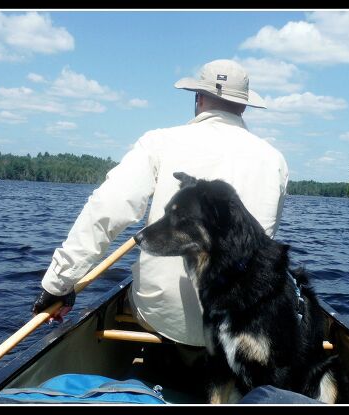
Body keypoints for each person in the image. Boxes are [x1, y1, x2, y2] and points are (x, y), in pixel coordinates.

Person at [31, 59, 289, 348]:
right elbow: (263, 240)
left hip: (165, 319)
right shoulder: (274, 159)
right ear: (243, 106)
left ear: (199, 98)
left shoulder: (160, 142)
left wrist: (58, 284)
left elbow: (106, 209)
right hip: (239, 326)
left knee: (141, 294)